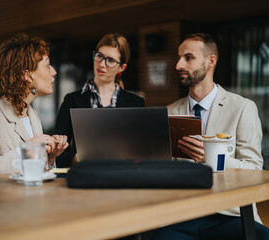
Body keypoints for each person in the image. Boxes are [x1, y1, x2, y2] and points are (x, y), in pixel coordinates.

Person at [152, 33, 269, 239]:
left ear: (210, 61)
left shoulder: (242, 108)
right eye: (178, 57)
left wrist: (214, 160)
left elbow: (254, 169)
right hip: (180, 215)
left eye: (188, 57)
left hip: (230, 215)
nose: (178, 64)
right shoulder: (167, 112)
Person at [0, 33, 69, 178]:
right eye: (48, 65)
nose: (54, 72)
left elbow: (34, 174)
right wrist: (25, 151)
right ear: (27, 75)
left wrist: (50, 157)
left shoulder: (32, 114)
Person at [55, 33, 145, 167]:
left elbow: (143, 151)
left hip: (124, 178)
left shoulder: (136, 103)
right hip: (85, 176)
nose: (102, 64)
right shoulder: (71, 100)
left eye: (110, 60)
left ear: (122, 67)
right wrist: (76, 159)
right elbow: (58, 152)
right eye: (99, 56)